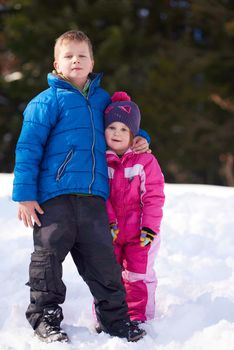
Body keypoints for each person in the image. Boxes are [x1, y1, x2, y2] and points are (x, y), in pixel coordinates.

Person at [12, 30, 149, 343]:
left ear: (92, 63)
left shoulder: (104, 101)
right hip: (54, 198)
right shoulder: (45, 102)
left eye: (82, 55)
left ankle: (115, 320)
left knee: (104, 263)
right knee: (47, 260)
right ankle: (45, 318)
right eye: (68, 55)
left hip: (93, 200)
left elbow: (126, 125)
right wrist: (25, 195)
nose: (75, 60)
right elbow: (28, 147)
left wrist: (142, 139)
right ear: (56, 64)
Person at [104, 91, 165, 323]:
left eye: (124, 129)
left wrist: (150, 227)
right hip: (111, 232)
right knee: (109, 276)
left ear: (134, 135)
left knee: (137, 275)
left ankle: (138, 318)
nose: (117, 133)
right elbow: (100, 196)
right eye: (112, 128)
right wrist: (108, 222)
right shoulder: (101, 161)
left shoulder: (145, 161)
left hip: (141, 233)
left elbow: (154, 196)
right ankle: (108, 318)